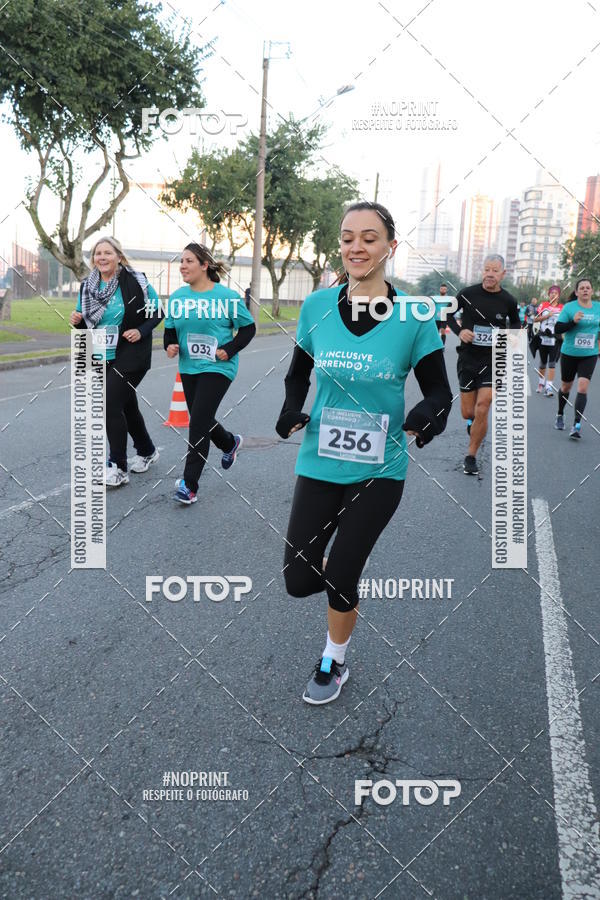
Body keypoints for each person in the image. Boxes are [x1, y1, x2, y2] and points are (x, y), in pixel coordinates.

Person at [276, 201, 452, 704]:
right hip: (320, 460)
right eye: (348, 237)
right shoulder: (317, 307)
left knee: (342, 573)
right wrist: (290, 409)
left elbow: (439, 392)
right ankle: (341, 574)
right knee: (298, 581)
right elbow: (297, 374)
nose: (357, 247)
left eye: (369, 238)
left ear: (389, 247)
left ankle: (334, 659)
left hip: (380, 469)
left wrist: (425, 416)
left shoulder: (414, 314)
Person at [163, 243, 256, 504]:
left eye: (189, 261)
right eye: (181, 261)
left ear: (204, 265)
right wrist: (170, 345)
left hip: (219, 366)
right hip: (189, 366)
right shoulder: (178, 298)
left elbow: (248, 328)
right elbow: (170, 331)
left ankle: (189, 485)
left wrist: (230, 348)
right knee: (201, 418)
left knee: (197, 423)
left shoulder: (226, 297)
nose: (183, 266)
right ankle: (229, 443)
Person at [70, 236, 162, 487]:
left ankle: (118, 466)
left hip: (131, 351)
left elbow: (157, 312)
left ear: (118, 256)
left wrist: (141, 331)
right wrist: (77, 321)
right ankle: (147, 451)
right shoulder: (88, 287)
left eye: (107, 253)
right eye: (98, 253)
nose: (102, 257)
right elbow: (85, 325)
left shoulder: (135, 280)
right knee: (126, 406)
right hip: (101, 353)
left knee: (109, 404)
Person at [446, 254, 521, 475]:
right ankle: (473, 423)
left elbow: (516, 322)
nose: (490, 274)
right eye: (487, 269)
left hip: (494, 359)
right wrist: (460, 331)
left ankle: (471, 456)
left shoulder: (508, 300)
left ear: (503, 274)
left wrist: (512, 336)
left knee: (483, 405)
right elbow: (447, 314)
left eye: (495, 270)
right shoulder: (467, 294)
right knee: (468, 412)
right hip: (468, 358)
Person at [554, 278, 600, 438]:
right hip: (569, 353)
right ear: (576, 292)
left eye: (588, 287)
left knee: (582, 387)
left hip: (589, 354)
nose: (585, 290)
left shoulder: (598, 308)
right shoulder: (569, 307)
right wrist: (573, 322)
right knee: (566, 387)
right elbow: (558, 328)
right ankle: (560, 414)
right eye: (582, 288)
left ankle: (576, 425)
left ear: (592, 291)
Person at [534, 285, 563, 396]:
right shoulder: (543, 305)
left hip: (555, 339)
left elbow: (565, 322)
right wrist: (547, 316)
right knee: (543, 362)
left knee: (552, 363)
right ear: (548, 294)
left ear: (558, 295)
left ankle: (549, 387)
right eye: (551, 293)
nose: (553, 294)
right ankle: (541, 383)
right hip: (543, 337)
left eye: (556, 293)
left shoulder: (562, 307)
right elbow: (535, 319)